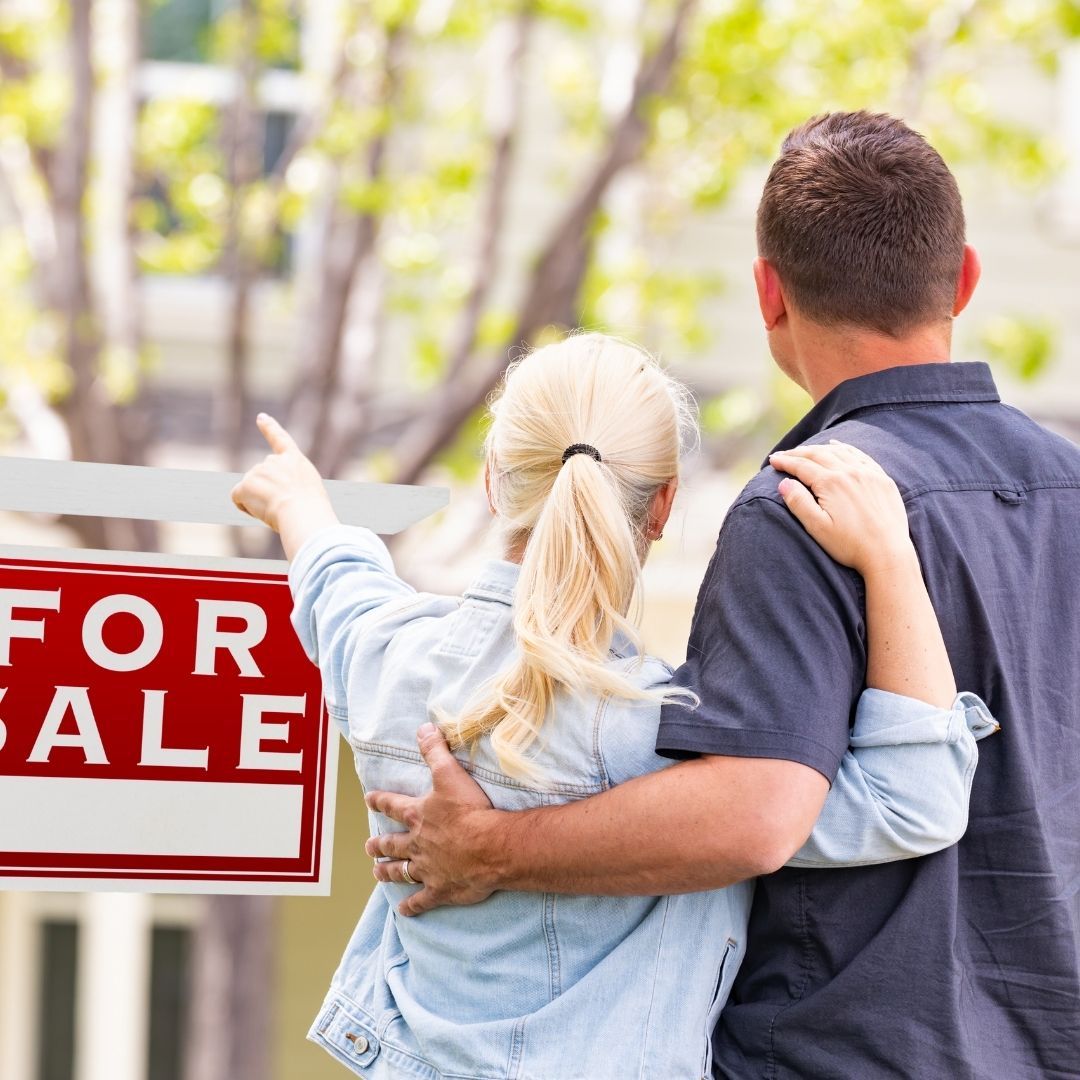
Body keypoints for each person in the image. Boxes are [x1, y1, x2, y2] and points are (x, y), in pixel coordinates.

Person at [363, 112, 1080, 1078]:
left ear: (767, 293)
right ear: (965, 279)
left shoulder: (801, 507)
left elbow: (753, 813)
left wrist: (496, 848)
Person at [233, 333, 997, 1078]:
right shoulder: (674, 742)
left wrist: (300, 505)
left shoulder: (387, 660)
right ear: (663, 506)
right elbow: (912, 798)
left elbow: (337, 584)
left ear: (494, 481)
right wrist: (891, 558)